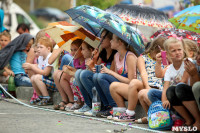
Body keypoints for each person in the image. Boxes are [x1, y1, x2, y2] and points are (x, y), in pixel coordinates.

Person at [110, 36, 166, 122]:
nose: (162, 54)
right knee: (114, 86)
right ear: (155, 48)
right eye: (161, 51)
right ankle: (122, 112)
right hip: (144, 85)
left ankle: (130, 113)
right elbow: (143, 73)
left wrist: (165, 61)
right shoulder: (142, 58)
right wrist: (147, 87)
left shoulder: (165, 60)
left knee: (134, 82)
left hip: (158, 88)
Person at [92, 32, 138, 118]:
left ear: (119, 42)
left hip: (130, 87)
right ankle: (107, 106)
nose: (110, 41)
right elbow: (116, 76)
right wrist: (103, 71)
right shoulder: (116, 55)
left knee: (101, 77)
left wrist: (110, 72)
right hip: (120, 83)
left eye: (112, 39)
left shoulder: (130, 57)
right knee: (96, 76)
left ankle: (114, 106)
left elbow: (131, 81)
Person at [74, 29, 117, 115]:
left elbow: (110, 74)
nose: (100, 40)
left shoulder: (115, 54)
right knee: (79, 73)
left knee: (84, 74)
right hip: (99, 79)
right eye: (100, 37)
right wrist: (94, 59)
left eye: (103, 38)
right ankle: (89, 104)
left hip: (107, 82)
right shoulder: (103, 53)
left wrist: (93, 66)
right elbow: (95, 70)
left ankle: (98, 105)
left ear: (110, 39)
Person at [162, 37, 200, 130]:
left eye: (179, 50)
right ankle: (188, 120)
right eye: (174, 51)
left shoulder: (188, 62)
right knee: (170, 91)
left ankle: (198, 120)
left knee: (179, 87)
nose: (177, 52)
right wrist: (164, 100)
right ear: (168, 54)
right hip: (185, 92)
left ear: (183, 50)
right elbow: (165, 87)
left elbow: (184, 82)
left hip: (187, 91)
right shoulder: (169, 68)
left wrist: (193, 74)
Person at [53, 39, 84, 110]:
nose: (72, 53)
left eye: (75, 50)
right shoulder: (76, 60)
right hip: (77, 79)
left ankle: (72, 100)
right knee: (56, 73)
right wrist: (69, 68)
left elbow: (80, 73)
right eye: (71, 50)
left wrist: (69, 71)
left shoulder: (85, 60)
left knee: (64, 75)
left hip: (80, 81)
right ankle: (65, 100)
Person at [23, 37, 54, 105]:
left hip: (53, 83)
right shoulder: (40, 57)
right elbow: (39, 69)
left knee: (37, 77)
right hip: (45, 81)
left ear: (48, 49)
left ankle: (47, 98)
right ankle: (41, 96)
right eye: (38, 47)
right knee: (33, 77)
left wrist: (32, 67)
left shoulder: (50, 57)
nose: (38, 49)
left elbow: (45, 73)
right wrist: (30, 66)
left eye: (41, 47)